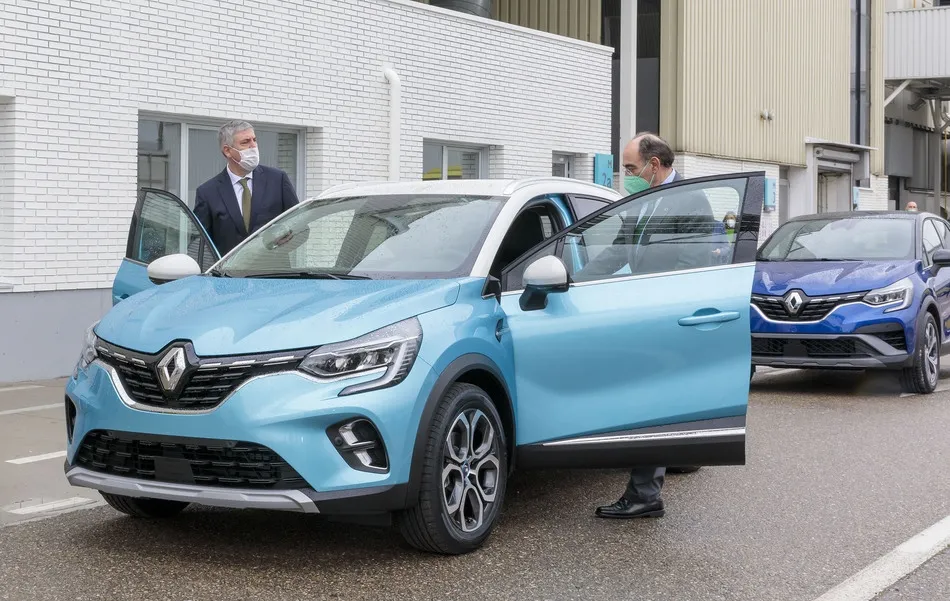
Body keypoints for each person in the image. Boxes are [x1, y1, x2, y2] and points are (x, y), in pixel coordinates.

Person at [593, 132, 707, 519]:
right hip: (645, 310)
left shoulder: (690, 200)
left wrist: (665, 310)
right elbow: (617, 251)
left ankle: (644, 495)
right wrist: (576, 279)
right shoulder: (643, 201)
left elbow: (692, 263)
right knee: (655, 402)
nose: (627, 176)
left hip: (666, 315)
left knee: (651, 403)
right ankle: (660, 470)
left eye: (630, 169)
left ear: (653, 164)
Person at [194, 120, 300, 255]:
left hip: (273, 266)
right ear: (227, 150)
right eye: (245, 142)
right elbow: (199, 243)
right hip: (230, 268)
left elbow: (300, 225)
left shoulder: (278, 180)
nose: (253, 146)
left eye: (254, 140)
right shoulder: (208, 193)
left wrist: (283, 241)